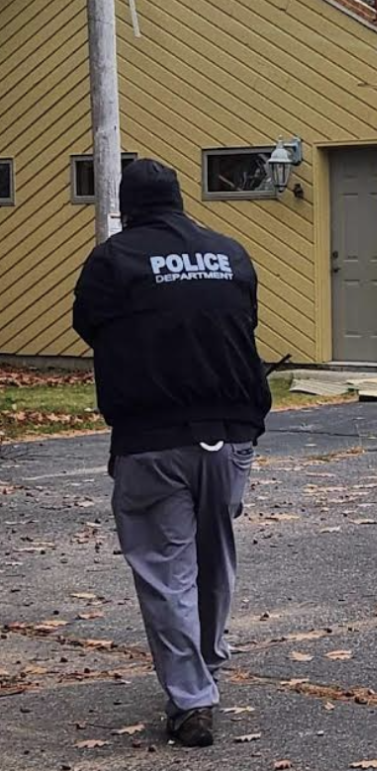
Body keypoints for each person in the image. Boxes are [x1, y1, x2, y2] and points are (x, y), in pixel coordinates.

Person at [72, 159, 272, 748]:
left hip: (153, 438)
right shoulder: (230, 252)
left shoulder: (114, 260)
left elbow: (91, 326)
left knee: (166, 570)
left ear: (125, 206)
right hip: (233, 432)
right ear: (181, 200)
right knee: (216, 554)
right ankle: (206, 659)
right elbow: (244, 321)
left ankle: (191, 700)